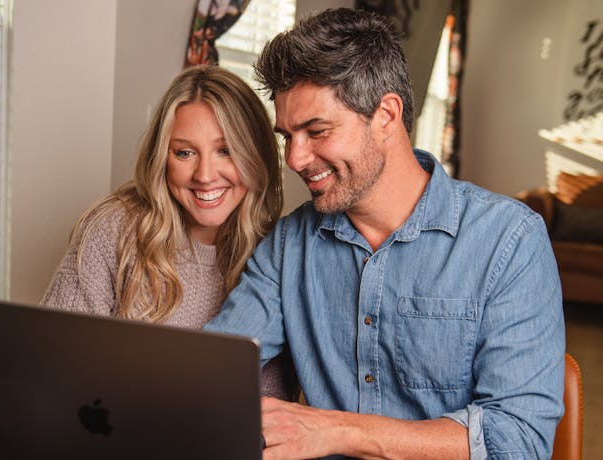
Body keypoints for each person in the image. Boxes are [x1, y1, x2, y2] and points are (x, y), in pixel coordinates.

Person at [205, 8, 565, 459]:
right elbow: (212, 369)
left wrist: (335, 431)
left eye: (316, 131)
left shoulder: (510, 242)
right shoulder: (288, 244)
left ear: (386, 114)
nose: (295, 159)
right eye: (287, 136)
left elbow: (520, 441)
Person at [41, 65, 296, 400]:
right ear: (163, 157)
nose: (205, 175)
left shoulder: (281, 255)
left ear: (256, 155)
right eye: (185, 153)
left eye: (226, 150)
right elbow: (51, 364)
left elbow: (274, 406)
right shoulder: (114, 229)